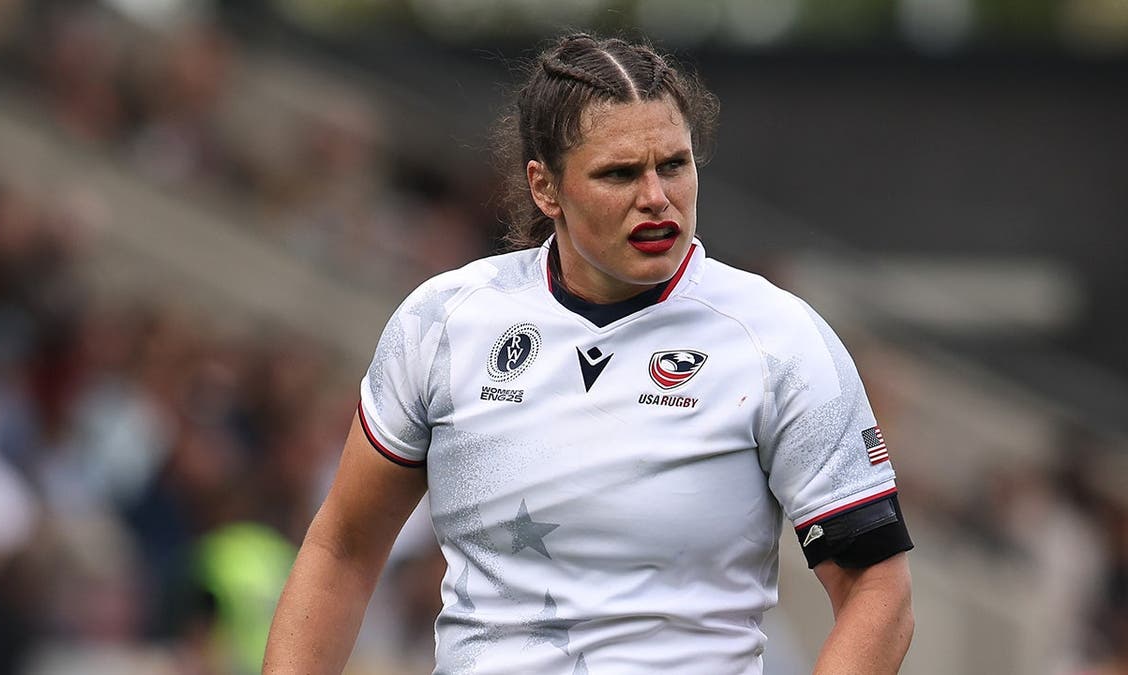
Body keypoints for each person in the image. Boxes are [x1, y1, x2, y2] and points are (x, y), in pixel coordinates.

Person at [263, 32, 914, 674]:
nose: (656, 196)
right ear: (545, 188)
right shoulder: (444, 323)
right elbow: (342, 549)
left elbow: (878, 593)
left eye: (675, 164)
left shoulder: (778, 340)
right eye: (620, 173)